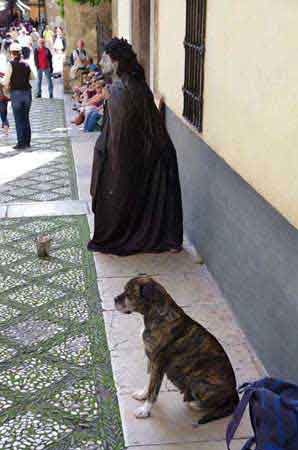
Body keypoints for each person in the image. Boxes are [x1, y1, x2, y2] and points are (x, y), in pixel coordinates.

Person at [88, 38, 183, 255]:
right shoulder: (131, 85)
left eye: (105, 58)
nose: (101, 62)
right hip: (142, 155)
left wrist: (108, 162)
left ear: (117, 63)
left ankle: (122, 233)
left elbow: (120, 138)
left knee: (117, 196)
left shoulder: (121, 91)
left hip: (130, 158)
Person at [0, 42, 35, 149]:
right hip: (27, 93)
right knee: (26, 118)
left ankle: (21, 143)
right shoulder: (26, 63)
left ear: (11, 53)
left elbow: (5, 82)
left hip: (16, 94)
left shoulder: (10, 64)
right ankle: (27, 142)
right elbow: (32, 77)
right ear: (20, 53)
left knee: (18, 119)